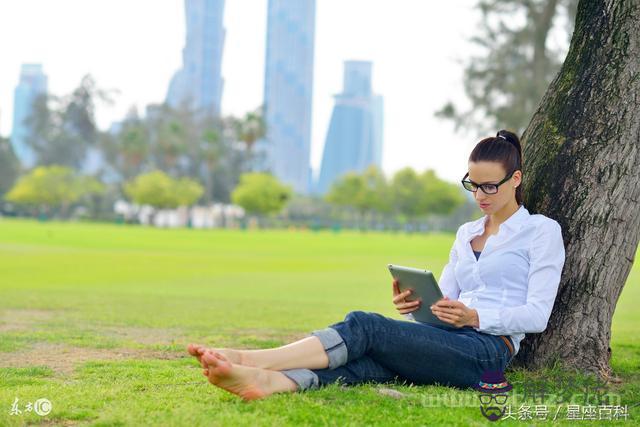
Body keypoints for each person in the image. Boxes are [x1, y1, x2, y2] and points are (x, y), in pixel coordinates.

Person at [187, 129, 566, 400]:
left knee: (364, 326)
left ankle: (251, 360)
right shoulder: (466, 233)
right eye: (473, 185)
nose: (480, 196)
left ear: (515, 179)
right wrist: (418, 306)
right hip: (448, 339)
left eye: (490, 187)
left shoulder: (540, 231)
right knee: (365, 358)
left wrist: (474, 318)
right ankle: (271, 384)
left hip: (488, 351)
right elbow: (446, 301)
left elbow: (537, 316)